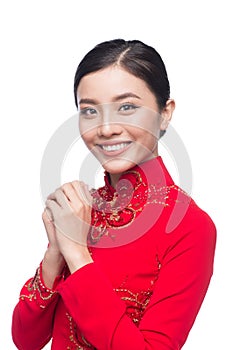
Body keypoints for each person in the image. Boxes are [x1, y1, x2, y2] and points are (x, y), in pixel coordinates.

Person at [12, 39, 216, 350]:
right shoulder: (81, 209)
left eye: (127, 107)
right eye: (90, 110)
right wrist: (55, 252)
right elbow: (26, 340)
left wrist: (78, 255)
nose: (106, 128)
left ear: (165, 113)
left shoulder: (189, 226)